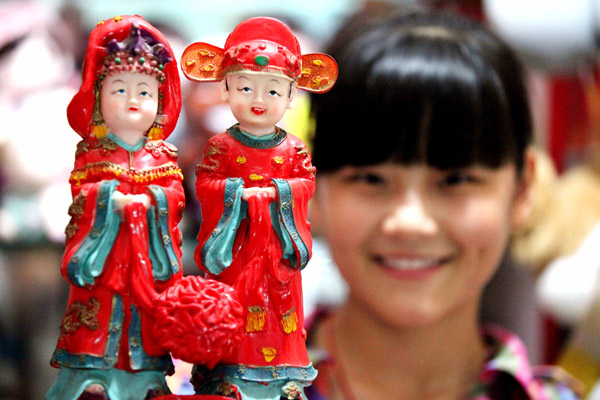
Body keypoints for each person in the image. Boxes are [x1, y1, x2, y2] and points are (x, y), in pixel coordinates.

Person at [306, 10, 581, 400]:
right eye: (371, 179)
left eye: (456, 180)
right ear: (312, 187)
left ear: (523, 188)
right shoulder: (220, 388)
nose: (411, 222)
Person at [180, 16, 337, 400]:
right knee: (232, 306)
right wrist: (236, 193)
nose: (257, 100)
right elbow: (206, 184)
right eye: (246, 87)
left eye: (272, 91)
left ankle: (281, 373)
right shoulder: (221, 146)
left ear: (290, 97)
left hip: (276, 250)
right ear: (226, 89)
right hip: (235, 247)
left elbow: (305, 184)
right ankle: (228, 368)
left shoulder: (295, 148)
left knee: (279, 314)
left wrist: (276, 194)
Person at [47, 15, 184, 400]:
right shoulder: (91, 153)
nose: (132, 100)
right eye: (119, 89)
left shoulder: (163, 156)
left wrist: (152, 203)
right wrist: (109, 201)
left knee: (144, 325)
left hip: (146, 264)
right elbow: (81, 199)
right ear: (98, 97)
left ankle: (143, 378)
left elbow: (174, 200)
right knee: (98, 320)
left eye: (144, 91)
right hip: (105, 261)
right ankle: (92, 376)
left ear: (159, 100)